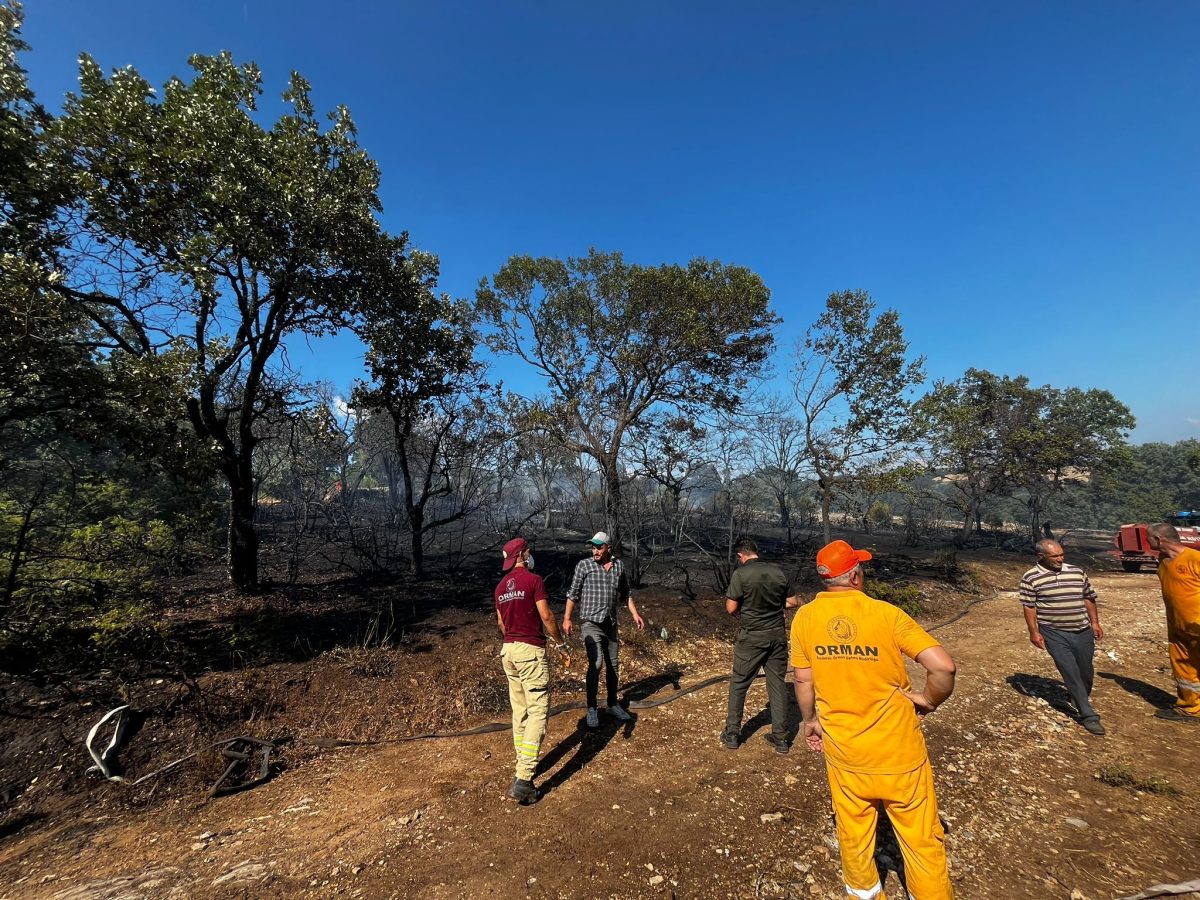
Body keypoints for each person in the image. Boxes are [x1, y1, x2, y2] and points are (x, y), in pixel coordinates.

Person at [792, 539, 957, 900]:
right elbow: (943, 666)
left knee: (853, 832)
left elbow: (803, 679)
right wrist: (927, 700)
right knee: (920, 840)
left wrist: (810, 720)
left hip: (845, 752)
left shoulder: (804, 618)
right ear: (855, 576)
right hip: (899, 753)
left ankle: (865, 893)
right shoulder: (887, 614)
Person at [494, 537, 569, 804]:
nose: (531, 555)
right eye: (529, 552)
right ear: (522, 555)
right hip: (529, 652)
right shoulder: (534, 581)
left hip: (509, 651)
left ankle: (521, 766)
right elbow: (547, 616)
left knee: (520, 711)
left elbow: (501, 624)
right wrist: (560, 644)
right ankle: (524, 779)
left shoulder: (501, 587)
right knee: (538, 710)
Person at [719, 537, 800, 753]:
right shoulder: (777, 571)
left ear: (740, 555)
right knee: (777, 684)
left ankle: (733, 733)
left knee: (739, 683)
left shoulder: (741, 574)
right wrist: (773, 604)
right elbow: (793, 602)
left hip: (752, 638)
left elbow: (730, 607)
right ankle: (781, 738)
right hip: (777, 636)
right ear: (756, 552)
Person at [1018, 539, 1106, 735]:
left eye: (1061, 554)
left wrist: (1095, 622)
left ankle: (1078, 696)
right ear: (1041, 557)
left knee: (1086, 670)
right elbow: (1029, 606)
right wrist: (1034, 632)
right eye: (1055, 556)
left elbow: (1088, 597)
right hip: (1054, 632)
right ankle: (1088, 714)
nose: (1060, 559)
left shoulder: (1076, 571)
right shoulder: (1030, 577)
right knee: (1069, 671)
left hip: (1082, 629)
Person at [562, 532, 645, 728]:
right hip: (590, 623)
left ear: (608, 547)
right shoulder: (584, 566)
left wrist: (635, 614)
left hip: (611, 624)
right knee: (596, 663)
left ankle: (612, 704)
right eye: (593, 547)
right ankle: (591, 708)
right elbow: (572, 594)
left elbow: (626, 594)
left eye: (599, 547)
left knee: (613, 665)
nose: (595, 550)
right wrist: (566, 618)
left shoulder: (618, 567)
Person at [1146, 523, 1200, 723]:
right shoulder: (1162, 560)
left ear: (1158, 540)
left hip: (1197, 627)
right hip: (1177, 628)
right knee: (1183, 668)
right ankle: (1190, 707)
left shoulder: (1195, 559)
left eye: (1148, 538)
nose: (1147, 542)